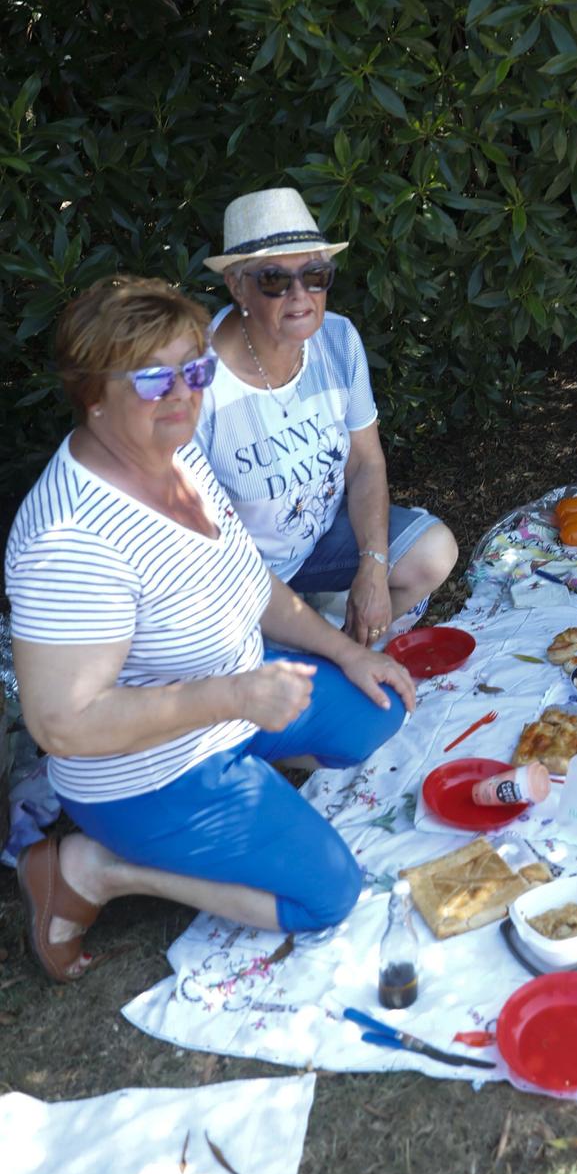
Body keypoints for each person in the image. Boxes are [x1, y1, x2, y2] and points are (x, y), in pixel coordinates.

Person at [7, 277, 416, 981]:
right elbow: (63, 726)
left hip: (230, 711)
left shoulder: (178, 453)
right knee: (327, 895)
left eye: (194, 371)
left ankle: (248, 798)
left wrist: (348, 652)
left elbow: (251, 585)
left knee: (379, 710)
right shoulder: (68, 538)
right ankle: (94, 869)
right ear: (91, 392)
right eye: (152, 378)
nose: (182, 395)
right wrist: (235, 697)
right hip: (143, 772)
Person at [196, 187, 457, 646]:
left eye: (315, 275)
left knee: (433, 552)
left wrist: (373, 569)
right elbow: (201, 548)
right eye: (275, 280)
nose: (301, 294)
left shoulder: (337, 338)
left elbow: (365, 463)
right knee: (265, 685)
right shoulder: (197, 381)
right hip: (239, 577)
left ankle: (343, 643)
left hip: (320, 542)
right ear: (237, 285)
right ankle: (324, 649)